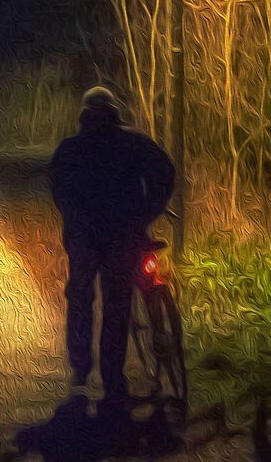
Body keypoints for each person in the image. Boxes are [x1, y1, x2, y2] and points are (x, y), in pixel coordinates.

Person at [48, 85, 176, 399]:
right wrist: (148, 211)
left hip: (84, 239)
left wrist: (73, 218)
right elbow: (166, 170)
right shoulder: (132, 143)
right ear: (114, 111)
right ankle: (112, 376)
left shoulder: (70, 149)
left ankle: (80, 370)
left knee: (80, 299)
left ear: (84, 114)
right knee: (117, 305)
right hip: (124, 235)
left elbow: (58, 190)